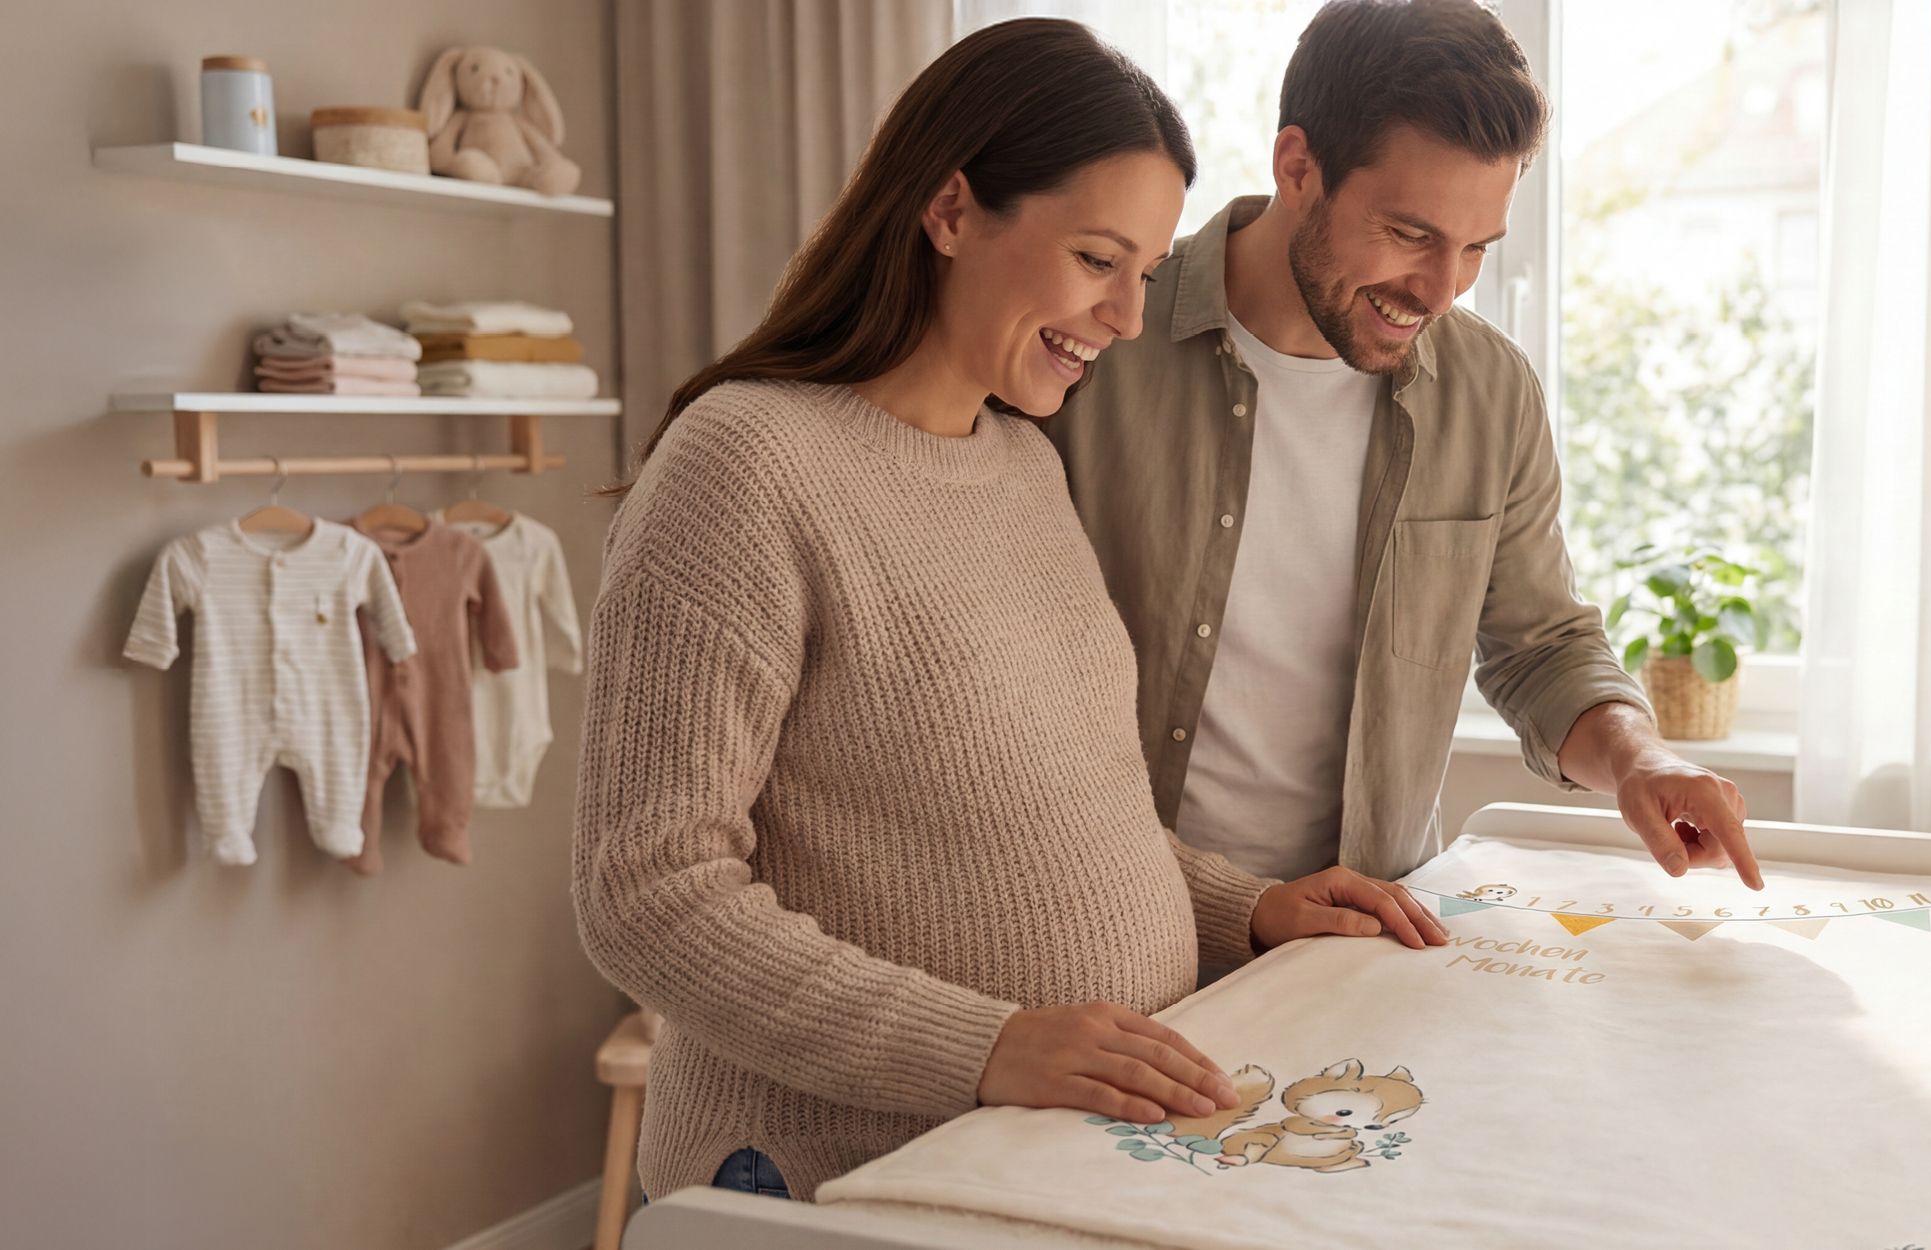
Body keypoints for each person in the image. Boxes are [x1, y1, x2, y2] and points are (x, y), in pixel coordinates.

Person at [571, 19, 1447, 1205]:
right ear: (948, 211)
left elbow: (1055, 819)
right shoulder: (745, 466)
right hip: (835, 1180)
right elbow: (649, 894)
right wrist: (982, 1044)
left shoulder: (1020, 462)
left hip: (1043, 1160)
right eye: (1098, 260)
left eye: (1144, 272)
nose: (1130, 317)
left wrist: (1247, 910)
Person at [1048, 0, 1764, 889]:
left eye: (1475, 248)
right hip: (1117, 930)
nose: (1442, 290)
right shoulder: (1096, 341)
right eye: (1410, 234)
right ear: (1297, 167)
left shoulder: (1491, 393)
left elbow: (1539, 646)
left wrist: (1637, 757)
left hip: (1364, 945)